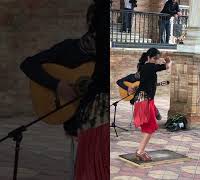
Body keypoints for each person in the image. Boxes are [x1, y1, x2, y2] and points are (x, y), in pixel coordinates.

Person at [19, 2, 108, 180]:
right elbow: (28, 64)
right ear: (92, 22)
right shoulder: (71, 48)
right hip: (80, 127)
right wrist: (57, 84)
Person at [133, 48, 171, 161]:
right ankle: (140, 151)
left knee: (148, 127)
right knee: (150, 127)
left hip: (143, 99)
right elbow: (167, 67)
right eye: (154, 58)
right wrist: (168, 61)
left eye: (157, 59)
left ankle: (141, 150)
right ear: (149, 57)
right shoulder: (150, 66)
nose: (155, 60)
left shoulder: (143, 66)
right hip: (145, 100)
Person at [116, 52, 162, 120]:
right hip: (134, 97)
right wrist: (127, 88)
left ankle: (153, 113)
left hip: (143, 96)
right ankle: (144, 116)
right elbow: (118, 81)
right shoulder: (132, 77)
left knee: (146, 98)